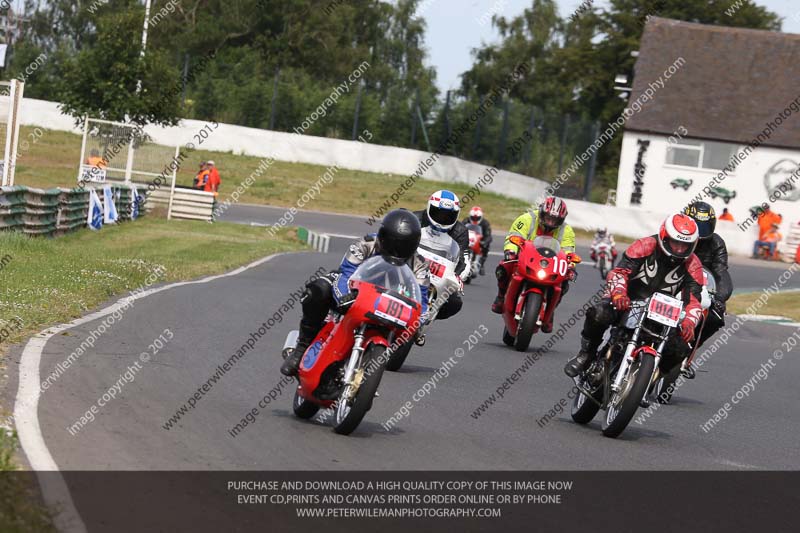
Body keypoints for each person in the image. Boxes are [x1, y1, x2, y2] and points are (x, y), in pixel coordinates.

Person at [280, 209, 430, 376]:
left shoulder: (420, 265)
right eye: (393, 242)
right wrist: (345, 297)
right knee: (317, 290)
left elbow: (422, 302)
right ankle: (301, 348)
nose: (397, 249)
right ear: (382, 235)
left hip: (388, 307)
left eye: (404, 245)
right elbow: (346, 273)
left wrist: (416, 321)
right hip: (355, 292)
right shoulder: (366, 243)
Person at [564, 213, 705, 378]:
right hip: (627, 299)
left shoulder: (694, 265)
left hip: (662, 313)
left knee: (681, 348)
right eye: (676, 243)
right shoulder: (644, 245)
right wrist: (618, 293)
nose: (680, 249)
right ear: (665, 237)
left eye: (685, 245)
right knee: (599, 314)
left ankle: (653, 377)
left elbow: (694, 300)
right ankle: (586, 355)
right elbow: (620, 272)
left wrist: (689, 322)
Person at [492, 196, 577, 333]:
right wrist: (511, 251)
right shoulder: (527, 219)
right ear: (542, 212)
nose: (550, 222)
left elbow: (569, 251)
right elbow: (513, 236)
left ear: (561, 220)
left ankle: (550, 311)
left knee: (565, 283)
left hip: (550, 266)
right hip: (524, 260)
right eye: (548, 217)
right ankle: (501, 297)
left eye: (555, 220)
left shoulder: (566, 231)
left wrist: (571, 266)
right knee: (503, 267)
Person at [681, 202, 733, 375]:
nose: (701, 231)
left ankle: (691, 348)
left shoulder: (716, 243)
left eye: (705, 226)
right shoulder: (680, 235)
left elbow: (721, 272)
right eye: (697, 225)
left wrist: (720, 297)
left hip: (702, 288)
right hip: (675, 283)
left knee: (716, 316)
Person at [413, 190, 469, 320]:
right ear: (429, 208)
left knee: (454, 303)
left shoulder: (460, 231)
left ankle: (432, 314)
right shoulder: (415, 219)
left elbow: (463, 259)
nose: (442, 218)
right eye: (438, 213)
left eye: (448, 215)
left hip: (439, 272)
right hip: (412, 262)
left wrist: (458, 276)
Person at [462, 206, 492, 275]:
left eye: (477, 218)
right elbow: (460, 229)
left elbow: (488, 235)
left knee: (487, 246)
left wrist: (484, 242)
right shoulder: (466, 221)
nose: (475, 219)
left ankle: (481, 264)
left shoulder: (485, 223)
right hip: (467, 238)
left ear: (480, 217)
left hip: (479, 241)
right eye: (473, 218)